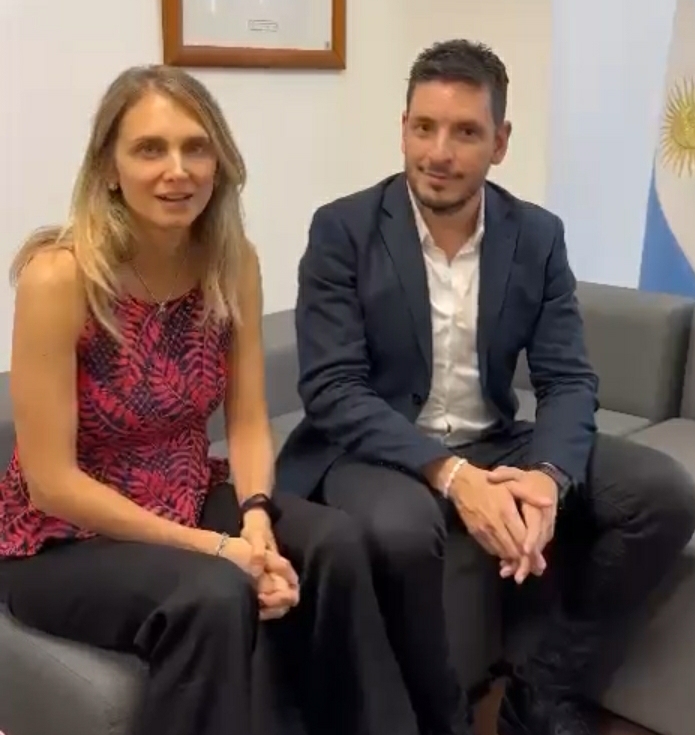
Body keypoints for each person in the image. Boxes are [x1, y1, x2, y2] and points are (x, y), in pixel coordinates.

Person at [275, 39, 695, 735]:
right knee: (401, 529)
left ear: (500, 142)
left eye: (465, 132)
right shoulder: (342, 229)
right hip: (376, 448)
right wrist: (453, 476)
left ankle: (542, 689)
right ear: (402, 128)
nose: (438, 152)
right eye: (423, 127)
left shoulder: (535, 235)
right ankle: (444, 718)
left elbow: (567, 377)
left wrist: (548, 477)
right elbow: (332, 388)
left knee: (663, 493)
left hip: (496, 436)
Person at [0, 65, 420, 735]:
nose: (178, 170)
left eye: (196, 147)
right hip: (61, 540)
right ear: (109, 168)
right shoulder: (59, 277)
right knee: (215, 591)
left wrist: (255, 518)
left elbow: (248, 420)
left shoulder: (232, 261)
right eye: (150, 149)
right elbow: (52, 484)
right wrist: (216, 548)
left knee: (334, 543)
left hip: (188, 492)